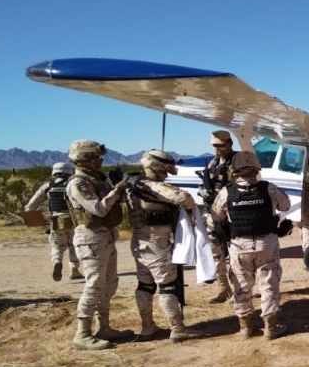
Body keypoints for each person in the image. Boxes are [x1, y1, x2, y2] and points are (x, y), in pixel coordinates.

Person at [209, 151, 291, 340]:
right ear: (256, 169)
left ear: (235, 170)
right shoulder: (269, 188)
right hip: (266, 244)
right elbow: (285, 205)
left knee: (241, 286)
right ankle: (271, 326)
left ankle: (245, 328)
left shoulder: (226, 192)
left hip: (239, 246)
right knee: (268, 283)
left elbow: (215, 216)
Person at [126, 149, 205, 343]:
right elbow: (183, 199)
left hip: (139, 241)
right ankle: (177, 328)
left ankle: (147, 327)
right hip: (157, 243)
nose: (167, 172)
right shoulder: (153, 186)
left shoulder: (132, 185)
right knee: (167, 287)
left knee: (144, 285)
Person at [64, 139, 133, 350]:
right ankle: (82, 333)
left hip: (106, 235)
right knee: (94, 285)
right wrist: (116, 190)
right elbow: (99, 209)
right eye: (95, 157)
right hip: (91, 238)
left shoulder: (98, 180)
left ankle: (104, 327)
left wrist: (117, 187)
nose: (100, 160)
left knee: (109, 284)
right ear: (83, 159)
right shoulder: (79, 184)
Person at [24, 162, 81, 281]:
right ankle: (74, 270)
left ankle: (57, 262)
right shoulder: (73, 184)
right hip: (74, 220)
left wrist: (36, 220)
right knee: (74, 245)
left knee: (57, 246)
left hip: (55, 220)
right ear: (70, 171)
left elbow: (30, 206)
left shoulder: (47, 186)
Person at [198, 130, 237, 304]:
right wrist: (204, 192)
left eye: (221, 145)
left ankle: (239, 290)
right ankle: (223, 288)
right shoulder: (212, 163)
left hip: (232, 214)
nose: (218, 149)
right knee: (217, 254)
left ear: (230, 144)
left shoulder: (238, 161)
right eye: (215, 146)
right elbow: (204, 186)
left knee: (236, 255)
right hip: (213, 215)